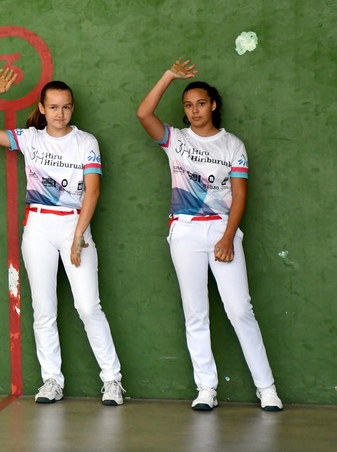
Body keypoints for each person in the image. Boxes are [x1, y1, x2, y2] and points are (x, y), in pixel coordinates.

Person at [136, 58, 282, 412]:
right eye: (188, 105)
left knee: (240, 310)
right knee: (195, 313)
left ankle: (267, 389)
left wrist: (228, 237)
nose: (194, 111)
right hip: (185, 231)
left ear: (213, 105)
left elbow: (240, 194)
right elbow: (143, 114)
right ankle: (206, 388)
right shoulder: (175, 139)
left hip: (221, 229)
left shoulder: (232, 145)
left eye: (201, 103)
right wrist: (169, 75)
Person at [0, 68, 125, 405]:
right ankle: (51, 381)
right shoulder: (31, 138)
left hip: (75, 225)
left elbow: (92, 191)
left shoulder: (86, 142)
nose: (60, 113)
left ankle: (112, 380)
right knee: (44, 310)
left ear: (73, 108)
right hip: (39, 227)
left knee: (88, 306)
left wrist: (78, 235)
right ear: (42, 109)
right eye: (54, 107)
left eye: (66, 107)